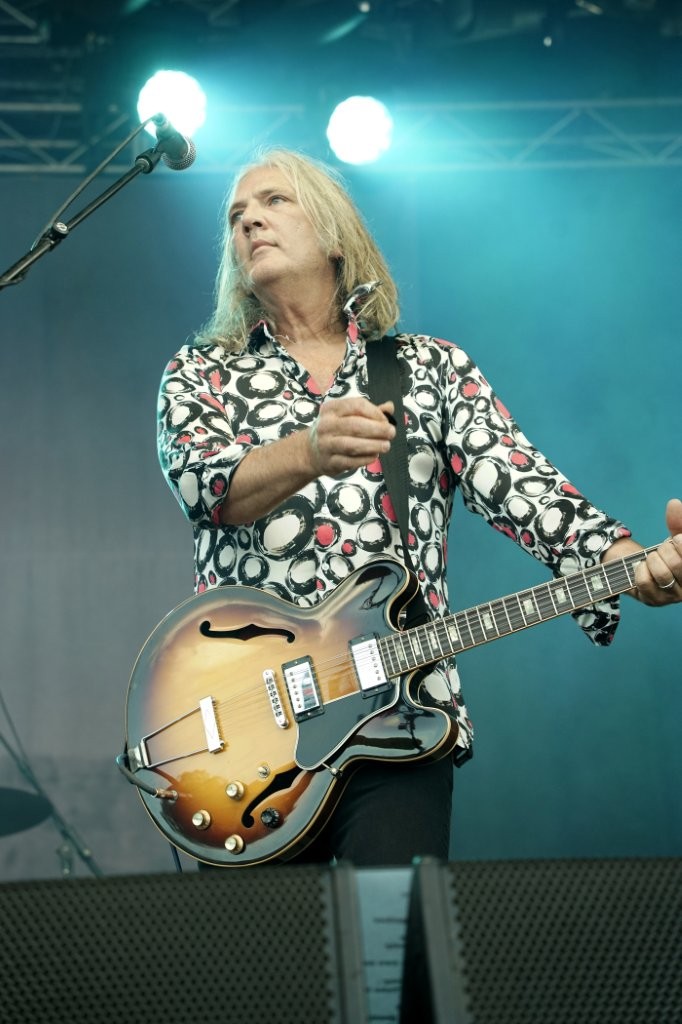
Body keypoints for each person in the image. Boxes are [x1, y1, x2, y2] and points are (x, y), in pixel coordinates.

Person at [157, 148, 681, 868]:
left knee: (396, 927)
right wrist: (310, 449)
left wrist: (627, 561)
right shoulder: (203, 372)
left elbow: (523, 486)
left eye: (275, 201)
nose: (249, 220)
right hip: (248, 735)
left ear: (334, 233)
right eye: (236, 215)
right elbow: (201, 485)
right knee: (266, 942)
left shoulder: (426, 369)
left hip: (403, 715)